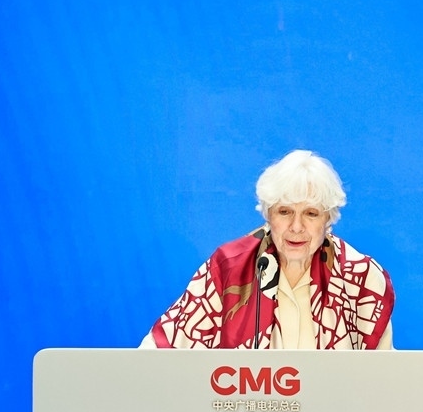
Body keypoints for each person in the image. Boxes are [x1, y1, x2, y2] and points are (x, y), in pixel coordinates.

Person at [140, 149, 394, 350]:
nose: (296, 227)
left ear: (328, 219)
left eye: (311, 214)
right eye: (284, 212)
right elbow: (159, 351)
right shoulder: (228, 268)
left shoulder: (360, 277)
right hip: (246, 403)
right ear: (268, 214)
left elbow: (383, 376)